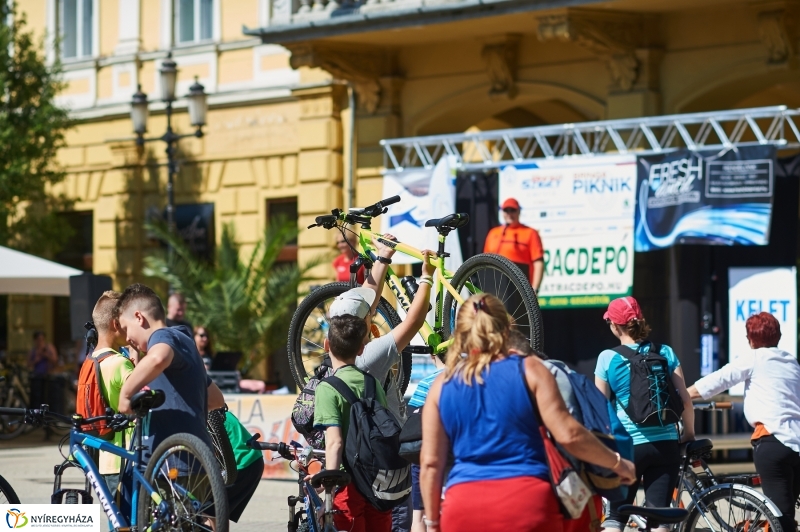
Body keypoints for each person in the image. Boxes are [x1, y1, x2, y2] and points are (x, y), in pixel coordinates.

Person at [420, 294, 636, 532]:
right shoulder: (530, 370)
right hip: (526, 504)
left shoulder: (441, 385)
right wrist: (618, 464)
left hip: (462, 508)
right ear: (506, 329)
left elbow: (430, 463)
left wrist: (432, 523)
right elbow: (569, 435)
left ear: (459, 333)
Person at [329, 239, 436, 532]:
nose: (374, 309)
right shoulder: (370, 357)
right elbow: (413, 322)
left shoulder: (337, 355)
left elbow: (369, 299)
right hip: (386, 465)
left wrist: (383, 258)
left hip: (358, 468)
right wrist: (426, 276)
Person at [688, 312, 800, 532]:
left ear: (750, 339)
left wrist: (681, 393)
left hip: (772, 442)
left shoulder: (755, 357)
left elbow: (718, 380)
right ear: (778, 335)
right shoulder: (791, 362)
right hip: (796, 443)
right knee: (786, 512)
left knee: (780, 518)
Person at [595, 296, 694, 532]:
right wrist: (688, 433)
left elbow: (599, 408)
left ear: (616, 326)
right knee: (659, 518)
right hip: (666, 445)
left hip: (629, 448)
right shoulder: (665, 352)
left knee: (615, 518)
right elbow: (685, 400)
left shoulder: (607, 358)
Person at [115, 284, 225, 458]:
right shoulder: (185, 341)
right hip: (195, 458)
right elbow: (216, 398)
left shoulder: (162, 336)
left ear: (139, 317)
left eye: (126, 328)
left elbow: (158, 358)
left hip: (171, 463)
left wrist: (126, 394)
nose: (127, 338)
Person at [313, 313, 392, 532]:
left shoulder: (327, 388)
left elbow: (335, 443)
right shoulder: (372, 383)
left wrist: (328, 498)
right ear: (361, 349)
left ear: (326, 344)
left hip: (348, 486)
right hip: (378, 485)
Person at [83, 291, 136, 495]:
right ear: (116, 324)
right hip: (125, 458)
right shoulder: (120, 364)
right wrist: (136, 356)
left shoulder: (91, 360)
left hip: (103, 459)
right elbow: (145, 400)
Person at [407, 354, 446, 532]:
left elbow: (413, 426)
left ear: (432, 356)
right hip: (456, 459)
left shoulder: (427, 384)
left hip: (424, 460)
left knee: (419, 517)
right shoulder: (471, 378)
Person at [483, 198, 545, 291]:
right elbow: (484, 261)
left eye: (513, 210)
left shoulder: (530, 233)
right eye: (506, 210)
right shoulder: (493, 233)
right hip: (494, 286)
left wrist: (535, 288)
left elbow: (538, 262)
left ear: (519, 211)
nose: (509, 214)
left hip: (520, 288)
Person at [222, 411, 265, 524]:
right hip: (255, 460)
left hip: (241, 464)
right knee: (218, 511)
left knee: (209, 510)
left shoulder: (207, 417)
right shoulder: (222, 413)